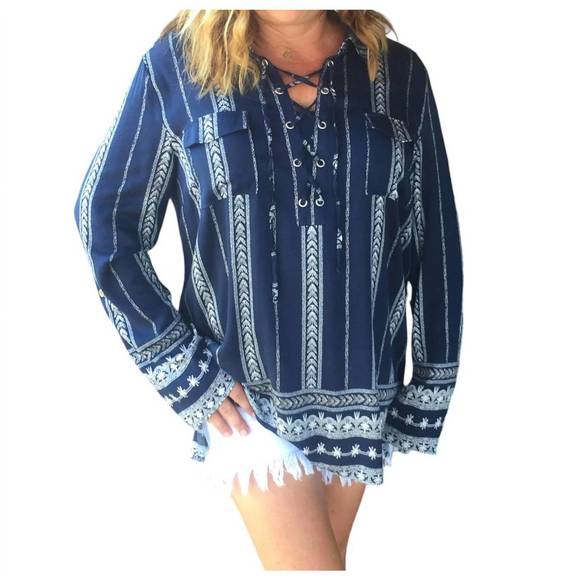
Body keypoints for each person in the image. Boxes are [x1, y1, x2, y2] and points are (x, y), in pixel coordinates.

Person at [72, 8, 464, 570]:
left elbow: (434, 236)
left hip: (362, 400)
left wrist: (431, 378)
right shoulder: (180, 68)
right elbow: (105, 221)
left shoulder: (397, 74)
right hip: (245, 399)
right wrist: (178, 363)